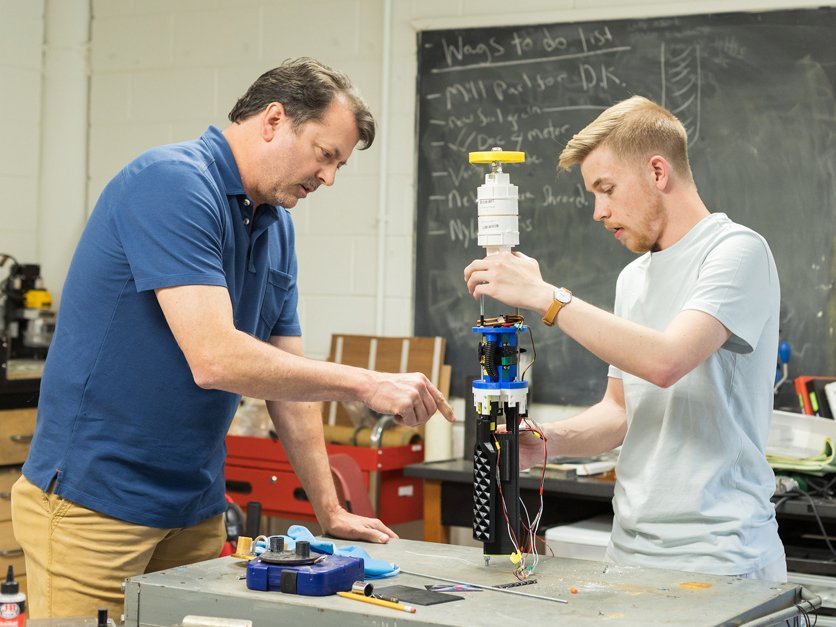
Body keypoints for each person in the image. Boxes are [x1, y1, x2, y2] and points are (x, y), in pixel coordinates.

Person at [12, 57, 455, 619]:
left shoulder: (275, 224)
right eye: (325, 156)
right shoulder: (172, 183)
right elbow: (215, 358)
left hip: (194, 507)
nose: (329, 179)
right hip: (96, 508)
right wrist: (365, 383)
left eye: (339, 165)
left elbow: (287, 382)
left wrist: (329, 507)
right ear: (274, 119)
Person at [464, 95, 785, 581]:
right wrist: (544, 442)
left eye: (607, 189)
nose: (599, 211)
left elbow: (668, 361)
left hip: (722, 558)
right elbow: (620, 412)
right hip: (630, 555)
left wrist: (545, 296)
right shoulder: (633, 278)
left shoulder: (736, 252)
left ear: (658, 172)